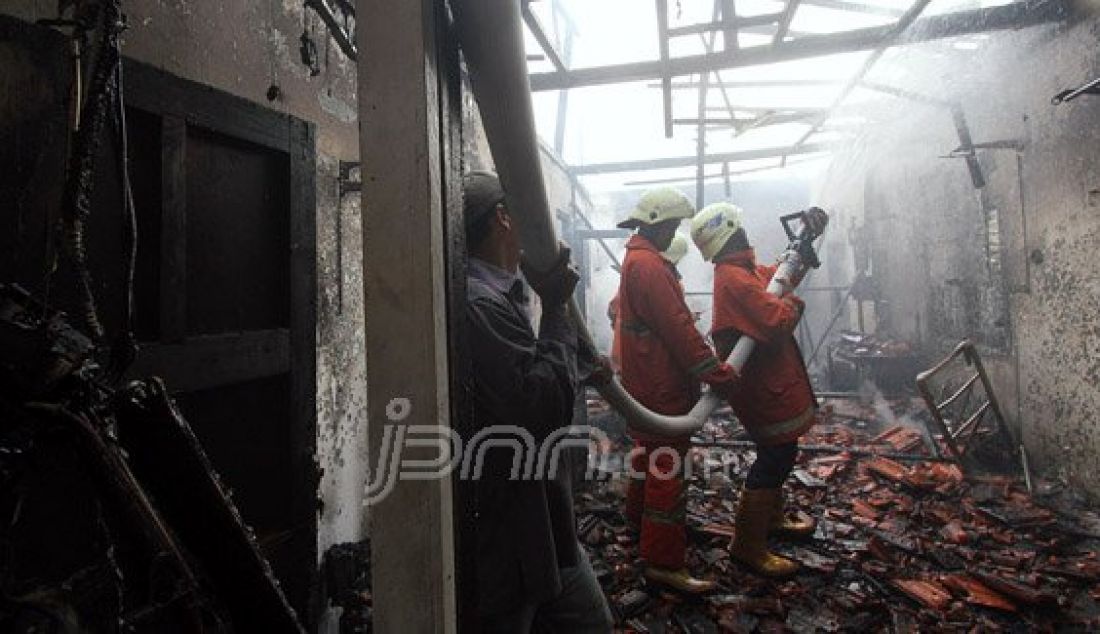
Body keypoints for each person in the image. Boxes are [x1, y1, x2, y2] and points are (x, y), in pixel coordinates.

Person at [461, 171, 613, 633]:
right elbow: (536, 408)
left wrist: (582, 362)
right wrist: (555, 310)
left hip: (543, 520)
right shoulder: (478, 304)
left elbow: (527, 367)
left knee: (591, 622)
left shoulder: (499, 291)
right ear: (504, 219)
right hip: (510, 530)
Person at [689, 202, 829, 578]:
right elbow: (776, 318)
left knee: (779, 451)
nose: (746, 232)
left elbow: (773, 280)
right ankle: (747, 545)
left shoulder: (739, 269)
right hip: (761, 386)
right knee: (777, 456)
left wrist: (799, 252)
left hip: (767, 381)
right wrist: (794, 303)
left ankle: (774, 517)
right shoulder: (733, 277)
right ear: (732, 231)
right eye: (740, 228)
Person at [614, 187, 740, 593]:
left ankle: (640, 526)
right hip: (660, 384)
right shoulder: (650, 266)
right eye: (671, 227)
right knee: (669, 470)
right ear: (659, 224)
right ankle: (664, 562)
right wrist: (715, 372)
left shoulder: (636, 260)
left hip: (645, 380)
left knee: (648, 457)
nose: (673, 235)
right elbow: (679, 330)